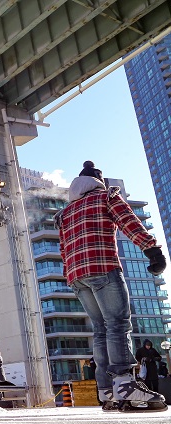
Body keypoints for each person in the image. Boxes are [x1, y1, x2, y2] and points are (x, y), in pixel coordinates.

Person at [54, 161, 167, 411]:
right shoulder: (105, 197)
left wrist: (72, 276)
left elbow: (63, 251)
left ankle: (106, 390)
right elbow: (129, 221)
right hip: (103, 267)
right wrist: (152, 249)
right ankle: (125, 383)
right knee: (117, 324)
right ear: (98, 182)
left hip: (76, 277)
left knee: (101, 330)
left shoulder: (64, 213)